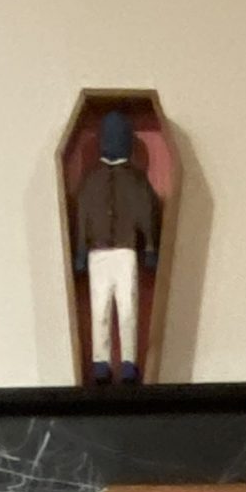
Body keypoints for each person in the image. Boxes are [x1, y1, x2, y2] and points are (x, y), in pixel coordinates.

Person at [72, 109, 160, 383]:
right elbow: (82, 215)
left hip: (125, 249)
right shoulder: (91, 180)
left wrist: (150, 247)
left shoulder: (136, 179)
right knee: (99, 306)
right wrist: (81, 250)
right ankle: (101, 361)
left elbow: (147, 213)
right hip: (98, 251)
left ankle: (129, 361)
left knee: (127, 306)